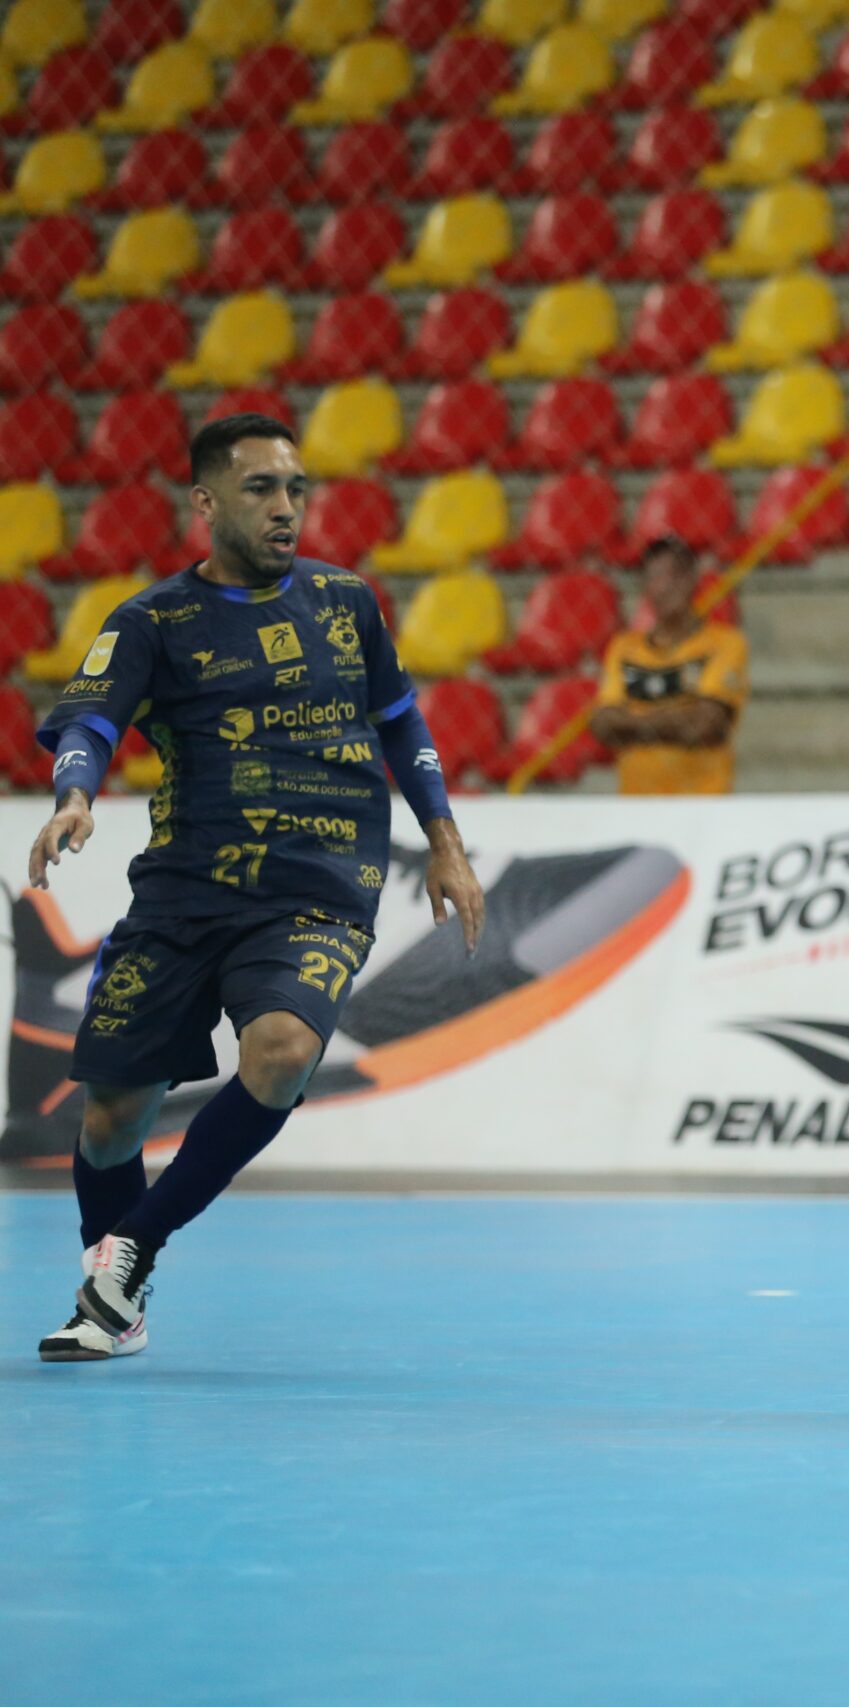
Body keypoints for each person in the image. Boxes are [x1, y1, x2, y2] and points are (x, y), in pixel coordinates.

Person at [25, 413, 486, 1363]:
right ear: (205, 503)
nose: (287, 509)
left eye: (296, 489)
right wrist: (75, 794)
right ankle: (115, 1295)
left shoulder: (347, 601)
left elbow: (400, 720)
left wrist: (445, 839)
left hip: (319, 884)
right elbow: (93, 724)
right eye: (261, 490)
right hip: (185, 892)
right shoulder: (152, 622)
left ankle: (129, 1261)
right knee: (111, 1120)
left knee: (280, 1052)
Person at [590, 538, 751, 796]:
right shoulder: (623, 648)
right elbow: (603, 725)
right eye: (654, 577)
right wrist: (680, 717)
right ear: (644, 587)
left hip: (703, 802)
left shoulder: (724, 643)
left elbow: (706, 726)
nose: (665, 586)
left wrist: (633, 723)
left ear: (692, 580)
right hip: (637, 803)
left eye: (675, 575)